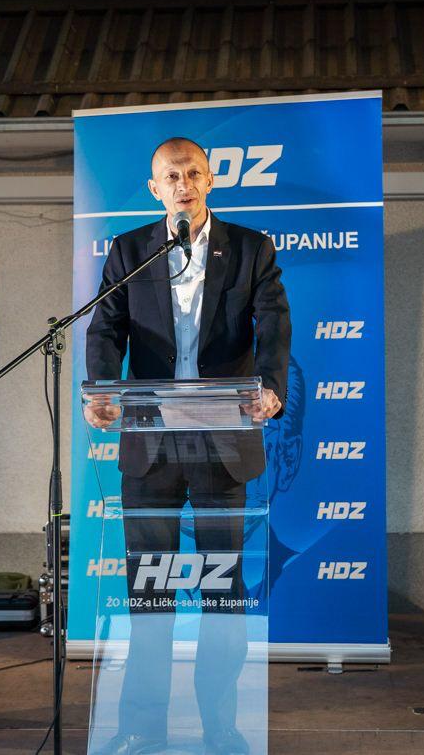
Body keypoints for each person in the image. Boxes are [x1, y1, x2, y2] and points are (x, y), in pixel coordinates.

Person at [84, 137, 290, 755]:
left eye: (193, 173)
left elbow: (274, 323)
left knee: (223, 594)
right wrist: (101, 390)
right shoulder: (130, 251)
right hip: (150, 443)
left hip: (223, 441)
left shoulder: (250, 248)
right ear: (155, 189)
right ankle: (143, 726)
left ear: (210, 179)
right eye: (171, 176)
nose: (184, 184)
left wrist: (272, 388)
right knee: (149, 592)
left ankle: (220, 726)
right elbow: (104, 326)